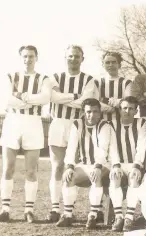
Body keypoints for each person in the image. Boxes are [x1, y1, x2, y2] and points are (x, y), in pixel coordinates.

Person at [0, 45, 51, 223]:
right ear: (21, 58)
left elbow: (45, 98)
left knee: (31, 170)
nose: (28, 60)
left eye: (31, 56)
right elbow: (7, 98)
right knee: (8, 167)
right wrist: (30, 101)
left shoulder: (44, 78)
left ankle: (29, 210)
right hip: (13, 121)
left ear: (36, 57)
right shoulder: (11, 76)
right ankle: (5, 209)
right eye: (25, 56)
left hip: (33, 123)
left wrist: (22, 97)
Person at [47, 45, 99, 222]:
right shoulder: (54, 78)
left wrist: (64, 97)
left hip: (79, 125)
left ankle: (71, 209)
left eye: (77, 57)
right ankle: (55, 208)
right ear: (65, 58)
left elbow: (84, 103)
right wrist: (74, 96)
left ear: (82, 59)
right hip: (58, 124)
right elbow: (53, 97)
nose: (73, 59)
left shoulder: (89, 80)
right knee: (57, 166)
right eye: (70, 56)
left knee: (81, 166)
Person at [55, 98, 120, 229]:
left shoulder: (105, 125)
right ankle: (67, 215)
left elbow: (103, 150)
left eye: (95, 111)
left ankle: (93, 216)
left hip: (103, 164)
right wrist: (69, 167)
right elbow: (71, 148)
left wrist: (97, 167)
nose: (92, 115)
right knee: (68, 177)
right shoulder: (77, 124)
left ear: (100, 112)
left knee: (95, 175)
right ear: (83, 112)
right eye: (89, 112)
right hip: (84, 164)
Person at [109, 96, 146, 232]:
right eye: (124, 108)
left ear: (136, 111)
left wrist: (137, 166)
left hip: (134, 163)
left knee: (134, 177)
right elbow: (112, 147)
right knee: (115, 177)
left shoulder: (141, 123)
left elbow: (141, 147)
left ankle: (129, 217)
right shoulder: (112, 124)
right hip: (118, 163)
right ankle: (119, 216)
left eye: (131, 109)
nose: (127, 111)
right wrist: (116, 165)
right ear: (119, 110)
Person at [98, 51, 132, 122]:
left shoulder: (127, 83)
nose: (110, 65)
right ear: (103, 65)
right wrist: (117, 103)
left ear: (119, 65)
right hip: (101, 122)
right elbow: (94, 104)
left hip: (121, 122)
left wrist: (103, 100)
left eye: (114, 62)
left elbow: (128, 103)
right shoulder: (97, 82)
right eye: (107, 62)